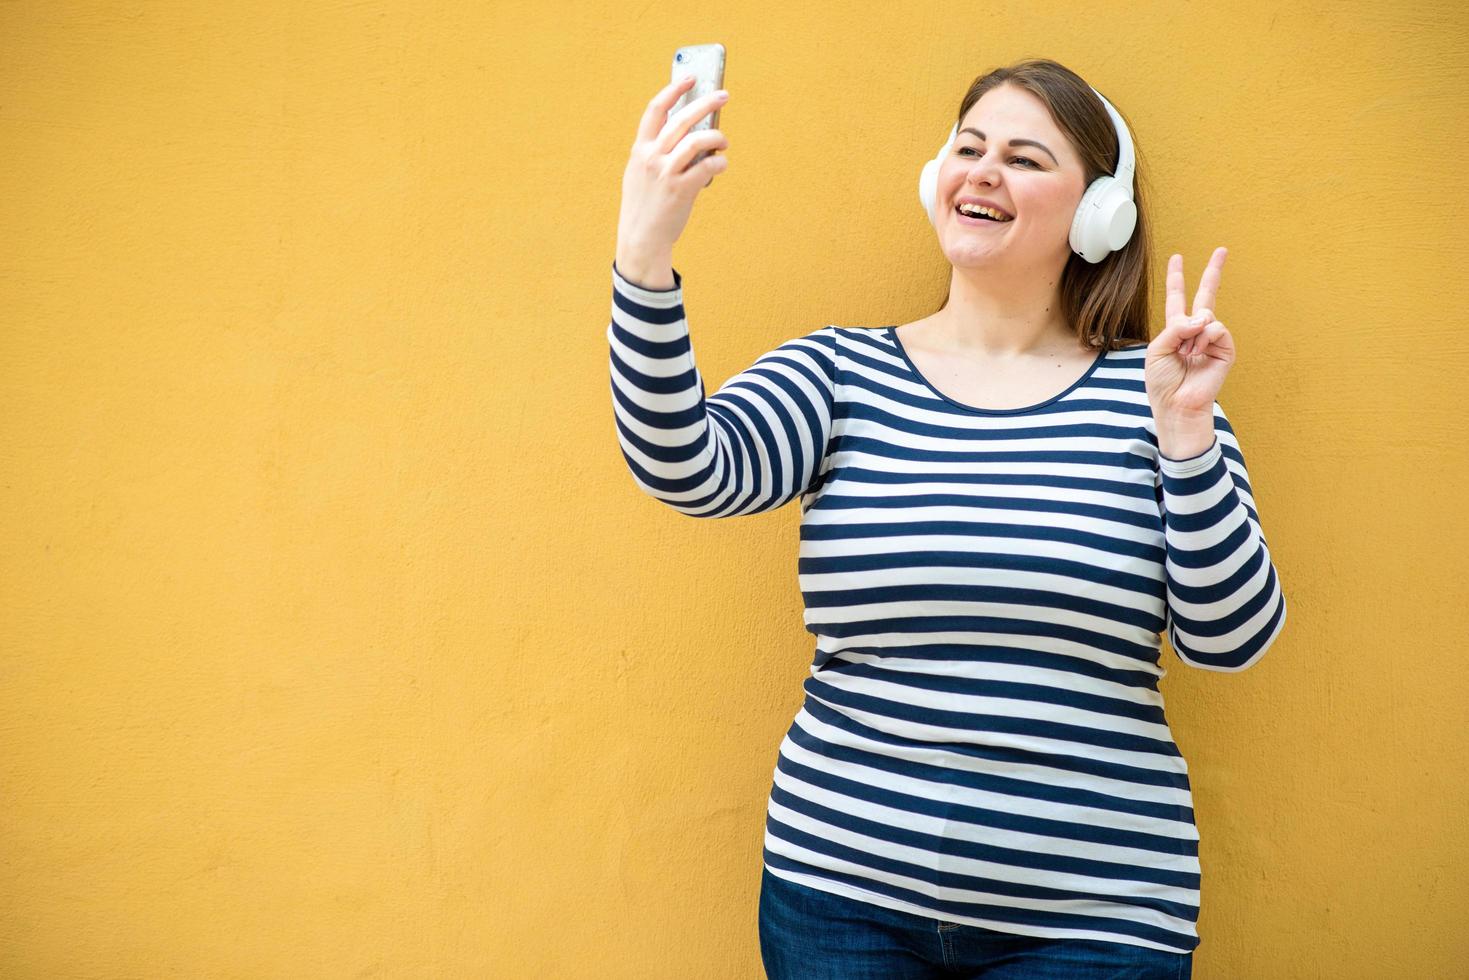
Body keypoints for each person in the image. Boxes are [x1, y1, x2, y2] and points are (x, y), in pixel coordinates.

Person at [608, 57, 1287, 980]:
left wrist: (1185, 435)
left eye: (1024, 157)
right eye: (967, 148)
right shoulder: (839, 375)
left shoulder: (1158, 396)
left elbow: (1230, 639)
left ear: (1099, 215)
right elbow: (685, 467)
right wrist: (644, 261)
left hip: (1096, 922)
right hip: (839, 902)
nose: (982, 171)